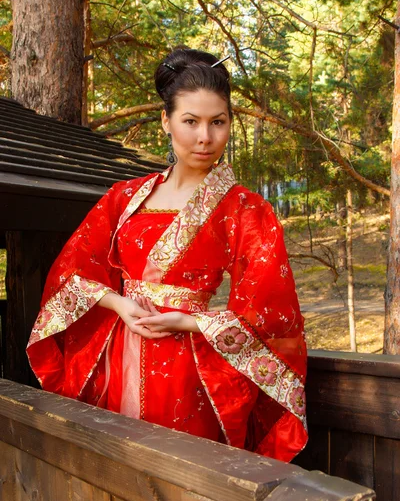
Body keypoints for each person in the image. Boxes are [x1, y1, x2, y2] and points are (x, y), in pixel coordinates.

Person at [27, 48, 307, 462]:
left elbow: (270, 307)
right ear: (167, 121)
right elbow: (70, 274)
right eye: (190, 121)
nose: (205, 138)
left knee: (185, 479)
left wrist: (192, 320)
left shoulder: (244, 208)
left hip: (190, 367)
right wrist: (119, 303)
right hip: (118, 354)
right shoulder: (122, 198)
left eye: (218, 122)